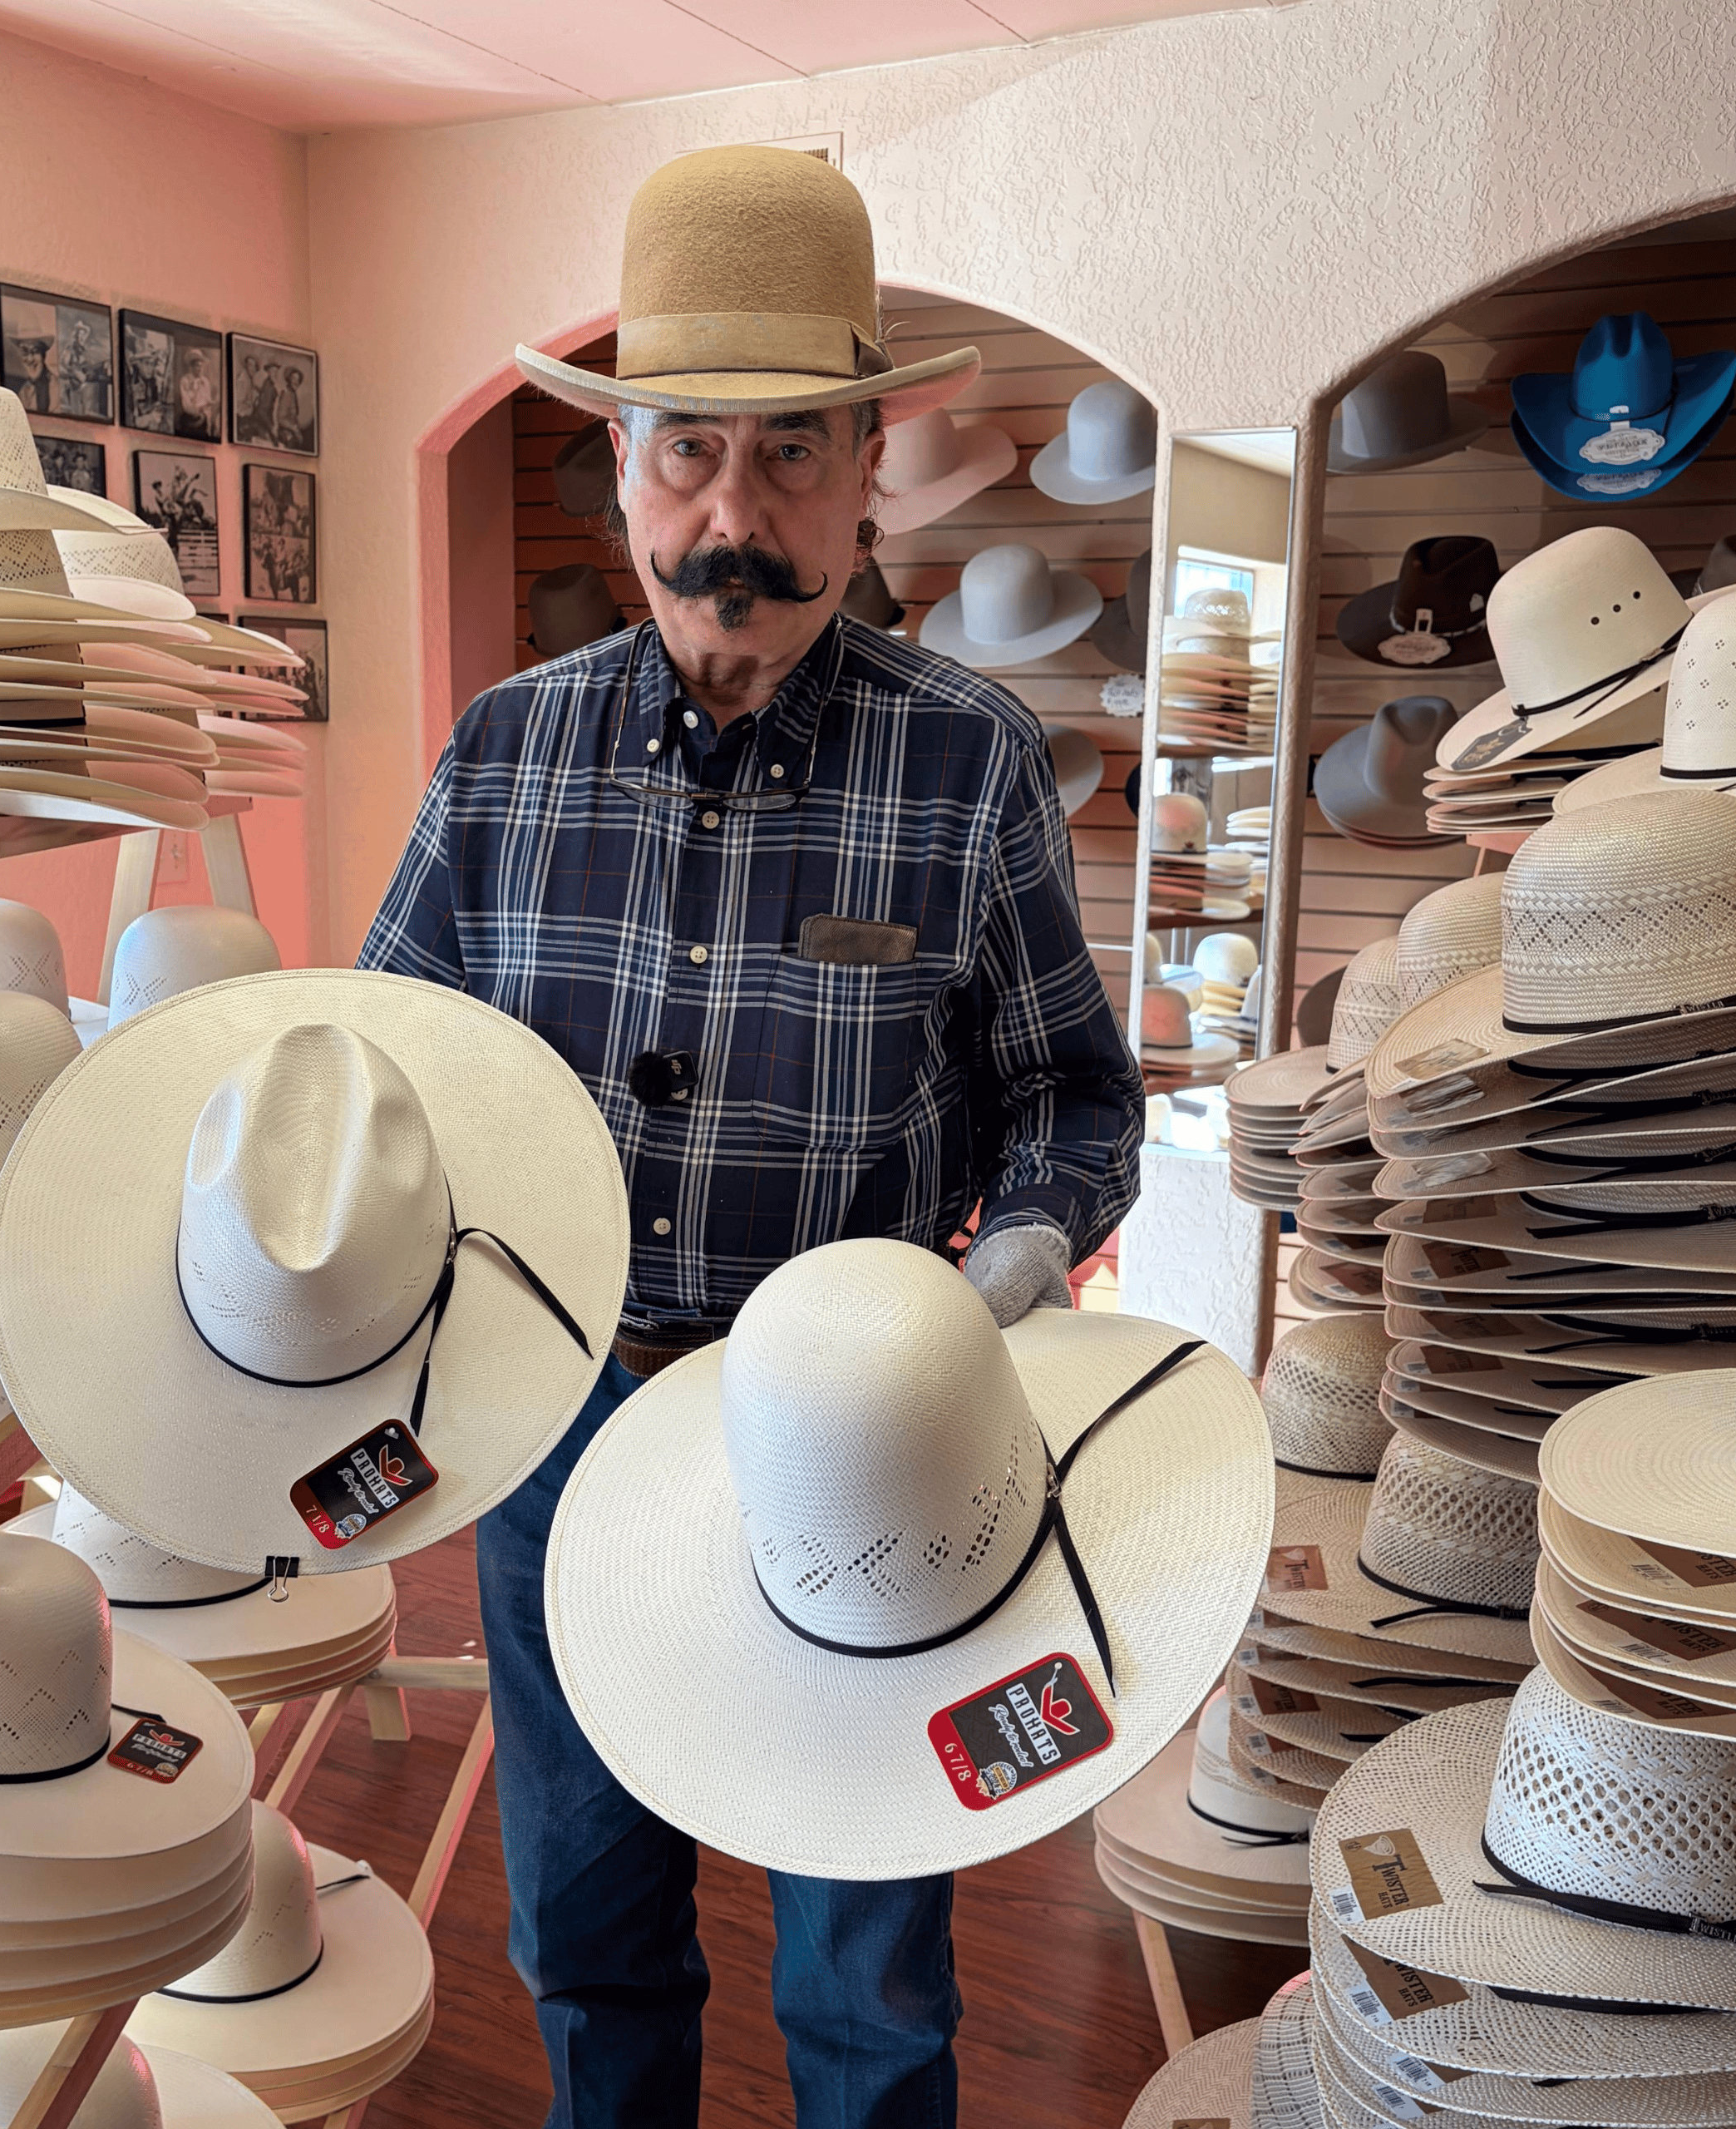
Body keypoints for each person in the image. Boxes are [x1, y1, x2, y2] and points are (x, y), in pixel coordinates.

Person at [358, 148, 1142, 2129]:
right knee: (583, 1932)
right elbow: (388, 1084)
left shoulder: (967, 764)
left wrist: (996, 1286)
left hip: (852, 1474)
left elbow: (1075, 1101)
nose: (732, 515)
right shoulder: (497, 755)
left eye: (788, 454)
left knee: (865, 1976)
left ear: (868, 461)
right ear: (614, 471)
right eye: (683, 452)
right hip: (557, 1449)